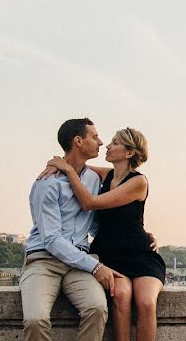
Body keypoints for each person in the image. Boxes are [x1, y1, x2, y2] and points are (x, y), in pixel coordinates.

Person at [45, 127, 165, 341]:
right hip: (109, 255)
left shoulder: (138, 181)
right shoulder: (105, 174)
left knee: (146, 302)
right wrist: (55, 164)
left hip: (139, 254)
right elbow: (75, 163)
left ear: (129, 153)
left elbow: (90, 203)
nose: (107, 146)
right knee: (121, 295)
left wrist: (68, 171)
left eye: (115, 143)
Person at [21, 117, 122, 341]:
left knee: (97, 309)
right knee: (35, 320)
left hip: (78, 264)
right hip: (44, 261)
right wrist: (96, 267)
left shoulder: (94, 180)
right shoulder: (46, 183)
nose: (101, 142)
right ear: (78, 141)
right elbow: (52, 240)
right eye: (94, 137)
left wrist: (141, 237)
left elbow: (97, 226)